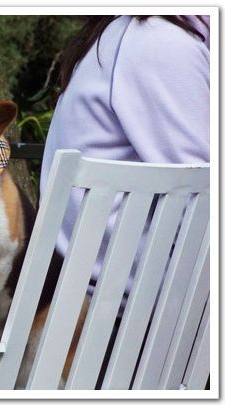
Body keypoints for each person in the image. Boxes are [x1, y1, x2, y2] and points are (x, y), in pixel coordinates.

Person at [39, 15, 210, 293]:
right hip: (132, 303)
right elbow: (203, 200)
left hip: (90, 291)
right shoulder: (160, 43)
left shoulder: (124, 34)